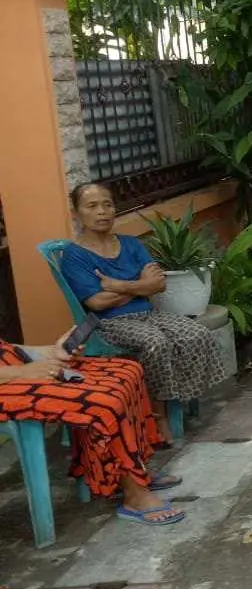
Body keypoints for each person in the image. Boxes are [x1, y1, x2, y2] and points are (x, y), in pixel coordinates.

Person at [60, 183, 229, 445]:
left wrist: (118, 286)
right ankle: (157, 417)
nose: (102, 212)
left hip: (148, 314)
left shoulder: (131, 244)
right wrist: (140, 286)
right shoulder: (74, 256)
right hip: (108, 324)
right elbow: (97, 302)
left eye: (107, 204)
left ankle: (177, 399)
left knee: (196, 333)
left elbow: (158, 284)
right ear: (76, 213)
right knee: (155, 343)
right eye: (92, 206)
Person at [0, 330, 184, 525]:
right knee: (102, 403)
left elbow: (6, 349)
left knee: (127, 370)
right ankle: (135, 496)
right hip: (8, 380)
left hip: (12, 368)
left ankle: (133, 471)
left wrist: (52, 352)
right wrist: (21, 372)